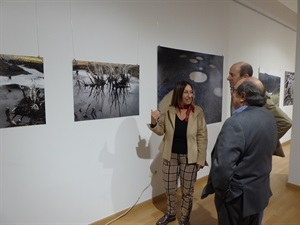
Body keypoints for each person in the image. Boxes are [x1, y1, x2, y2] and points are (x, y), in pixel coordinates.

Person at [201, 77, 277, 225]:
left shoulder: (235, 123)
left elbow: (223, 168)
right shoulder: (269, 116)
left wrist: (224, 195)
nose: (231, 94)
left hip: (238, 199)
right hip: (259, 192)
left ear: (242, 97)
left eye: (233, 91)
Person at [148, 80, 208, 225]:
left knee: (187, 192)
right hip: (170, 157)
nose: (189, 95)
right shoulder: (169, 111)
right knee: (169, 189)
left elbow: (202, 136)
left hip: (190, 158)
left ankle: (185, 219)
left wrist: (201, 159)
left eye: (191, 92)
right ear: (179, 94)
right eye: (186, 92)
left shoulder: (197, 112)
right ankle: (171, 214)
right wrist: (154, 122)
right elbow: (161, 131)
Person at [227, 61, 292, 157]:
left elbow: (285, 122)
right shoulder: (237, 92)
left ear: (245, 77)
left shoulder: (258, 96)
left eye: (232, 75)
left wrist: (259, 143)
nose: (228, 78)